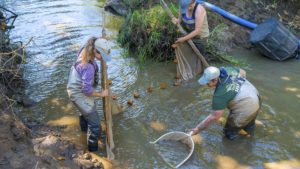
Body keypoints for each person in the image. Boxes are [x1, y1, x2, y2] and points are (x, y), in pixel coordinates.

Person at [191, 66, 261, 140]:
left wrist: (198, 129)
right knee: (249, 124)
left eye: (207, 83)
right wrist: (237, 86)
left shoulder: (220, 94)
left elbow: (215, 116)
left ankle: (235, 148)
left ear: (215, 80)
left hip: (246, 107)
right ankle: (249, 135)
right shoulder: (227, 70)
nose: (206, 84)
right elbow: (243, 72)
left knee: (229, 133)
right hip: (255, 96)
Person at [67, 37, 111, 151]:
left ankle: (83, 133)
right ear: (96, 51)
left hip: (72, 87)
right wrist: (101, 94)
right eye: (102, 56)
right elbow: (86, 90)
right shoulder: (89, 67)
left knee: (84, 113)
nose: (103, 60)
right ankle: (93, 151)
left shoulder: (87, 47)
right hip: (78, 93)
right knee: (95, 125)